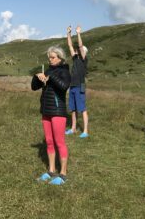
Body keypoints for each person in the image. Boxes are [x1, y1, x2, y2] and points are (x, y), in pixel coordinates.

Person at [31, 46, 71, 185]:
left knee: (59, 142)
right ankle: (51, 170)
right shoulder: (47, 70)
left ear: (60, 58)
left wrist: (51, 77)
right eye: (49, 57)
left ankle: (63, 174)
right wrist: (37, 77)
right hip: (46, 111)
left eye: (53, 57)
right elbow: (34, 87)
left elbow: (64, 86)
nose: (50, 59)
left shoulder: (64, 71)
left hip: (58, 111)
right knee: (49, 141)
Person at [65, 25, 90, 138]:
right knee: (73, 109)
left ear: (83, 52)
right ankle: (73, 128)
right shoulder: (75, 58)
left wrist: (79, 33)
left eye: (80, 50)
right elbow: (70, 45)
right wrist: (69, 33)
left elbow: (80, 46)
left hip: (81, 85)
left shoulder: (84, 60)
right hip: (73, 85)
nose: (76, 50)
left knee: (82, 109)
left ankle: (85, 131)